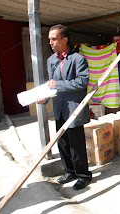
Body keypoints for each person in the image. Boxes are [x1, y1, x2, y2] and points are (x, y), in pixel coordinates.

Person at [37, 24, 92, 190]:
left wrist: (57, 84)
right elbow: (51, 86)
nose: (51, 43)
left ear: (65, 39)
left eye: (54, 39)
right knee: (63, 144)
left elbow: (82, 82)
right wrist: (44, 98)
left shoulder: (78, 59)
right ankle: (70, 172)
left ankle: (84, 175)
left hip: (74, 109)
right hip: (59, 108)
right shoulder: (51, 60)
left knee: (76, 145)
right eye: (49, 40)